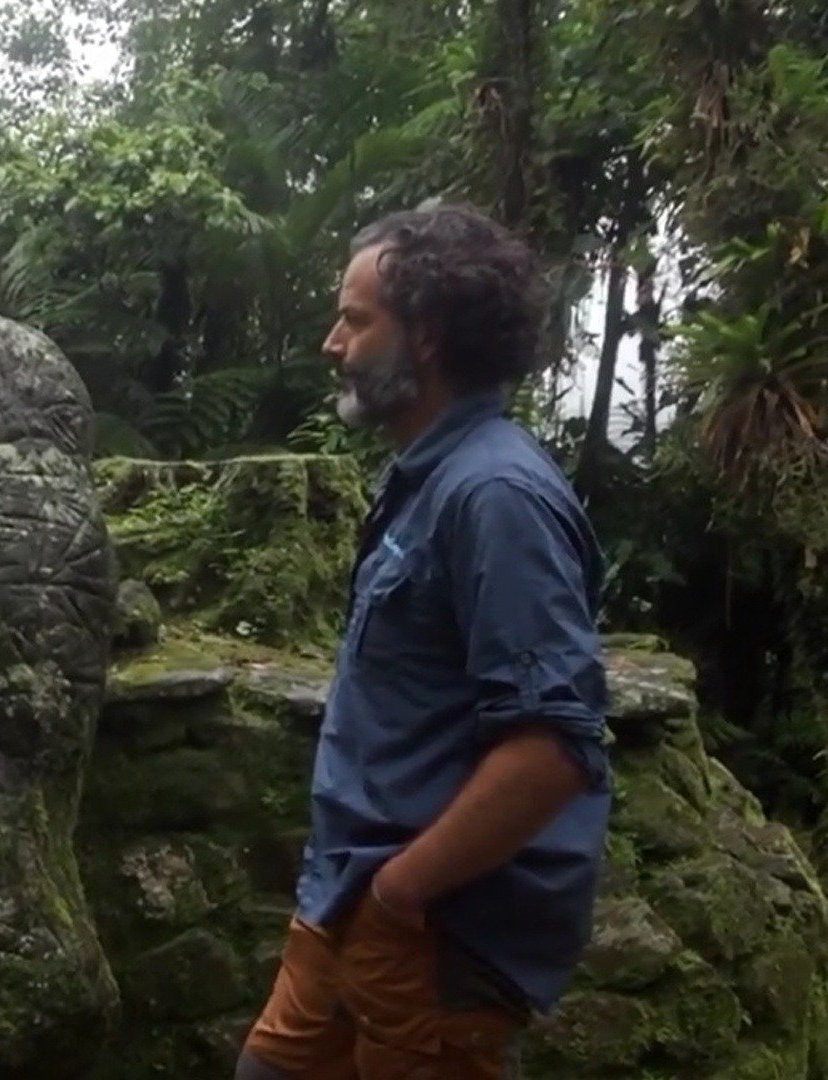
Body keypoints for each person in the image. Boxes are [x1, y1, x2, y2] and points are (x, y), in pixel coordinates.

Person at [234, 204, 611, 1080]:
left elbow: (553, 748)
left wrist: (405, 893)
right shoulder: (427, 478)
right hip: (352, 900)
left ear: (428, 337)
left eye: (356, 320)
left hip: (429, 926)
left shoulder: (497, 496)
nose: (334, 343)